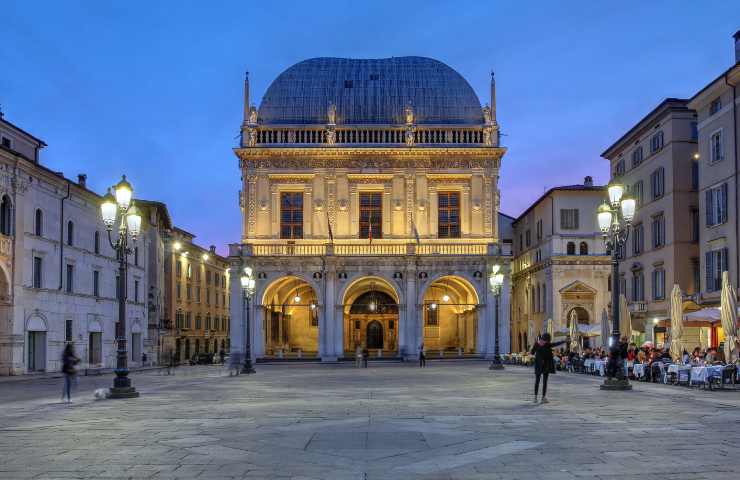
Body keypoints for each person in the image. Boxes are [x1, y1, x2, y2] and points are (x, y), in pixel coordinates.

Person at [530, 333, 567, 404]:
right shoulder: (548, 345)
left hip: (538, 365)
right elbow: (555, 344)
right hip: (546, 365)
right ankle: (543, 398)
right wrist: (564, 341)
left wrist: (535, 347)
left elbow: (532, 353)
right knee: (545, 382)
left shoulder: (537, 344)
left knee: (537, 381)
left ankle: (535, 398)